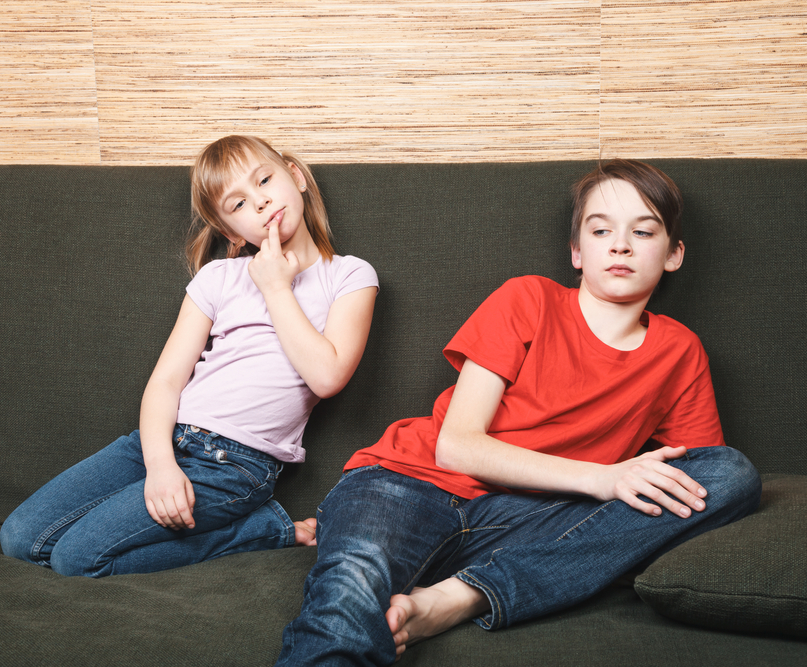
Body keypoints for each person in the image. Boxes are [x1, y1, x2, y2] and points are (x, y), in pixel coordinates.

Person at [276, 159, 762, 666]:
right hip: (407, 485)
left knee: (730, 473)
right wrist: (604, 478)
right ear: (577, 252)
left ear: (674, 254)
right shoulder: (529, 299)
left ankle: (461, 596)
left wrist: (613, 493)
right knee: (351, 589)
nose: (621, 245)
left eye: (643, 231)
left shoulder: (680, 351)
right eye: (601, 231)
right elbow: (457, 445)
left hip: (536, 521)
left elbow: (699, 480)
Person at [0, 135, 379, 578]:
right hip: (161, 440)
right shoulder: (219, 277)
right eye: (237, 204)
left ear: (295, 176)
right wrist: (160, 463)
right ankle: (223, 510)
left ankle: (265, 530)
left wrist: (276, 286)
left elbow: (327, 376)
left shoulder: (350, 275)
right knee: (20, 539)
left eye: (264, 180)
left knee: (75, 558)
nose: (259, 203)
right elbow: (165, 382)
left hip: (235, 464)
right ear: (232, 234)